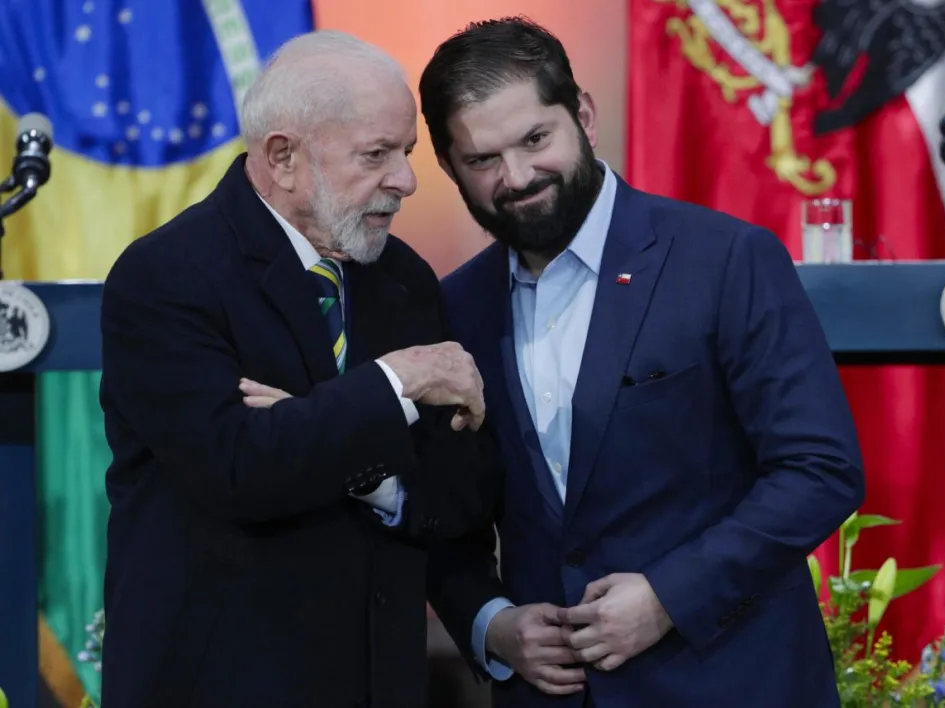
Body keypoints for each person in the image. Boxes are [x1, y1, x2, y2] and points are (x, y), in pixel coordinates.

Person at [419, 17, 866, 708]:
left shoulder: (724, 260)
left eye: (536, 139)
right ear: (449, 168)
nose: (517, 177)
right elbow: (446, 515)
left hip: (730, 682)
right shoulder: (453, 309)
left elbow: (821, 469)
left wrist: (668, 596)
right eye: (482, 160)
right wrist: (492, 623)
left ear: (584, 117)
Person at [98, 30, 501, 708]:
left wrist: (335, 445)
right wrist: (395, 385)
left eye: (403, 153)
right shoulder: (166, 275)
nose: (405, 180)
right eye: (376, 155)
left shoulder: (403, 278)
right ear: (283, 157)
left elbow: (463, 493)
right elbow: (239, 469)